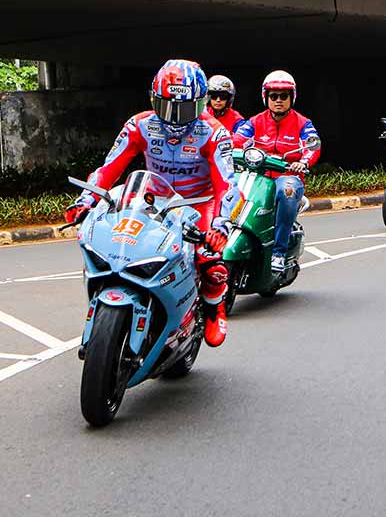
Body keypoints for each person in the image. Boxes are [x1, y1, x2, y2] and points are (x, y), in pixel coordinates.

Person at [64, 60, 240, 347]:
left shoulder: (215, 132)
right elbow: (109, 169)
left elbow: (227, 185)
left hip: (198, 204)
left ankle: (213, 307)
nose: (174, 118)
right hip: (150, 199)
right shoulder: (139, 124)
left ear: (200, 103)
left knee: (212, 261)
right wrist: (87, 198)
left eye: (184, 109)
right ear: (153, 100)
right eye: (167, 106)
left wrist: (221, 224)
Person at [234, 71, 321, 274]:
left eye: (284, 96)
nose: (278, 100)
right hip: (258, 177)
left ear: (292, 97)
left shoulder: (303, 123)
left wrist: (303, 161)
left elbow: (312, 146)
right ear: (266, 98)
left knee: (288, 191)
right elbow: (237, 140)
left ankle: (279, 253)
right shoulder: (255, 122)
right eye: (274, 96)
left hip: (287, 177)